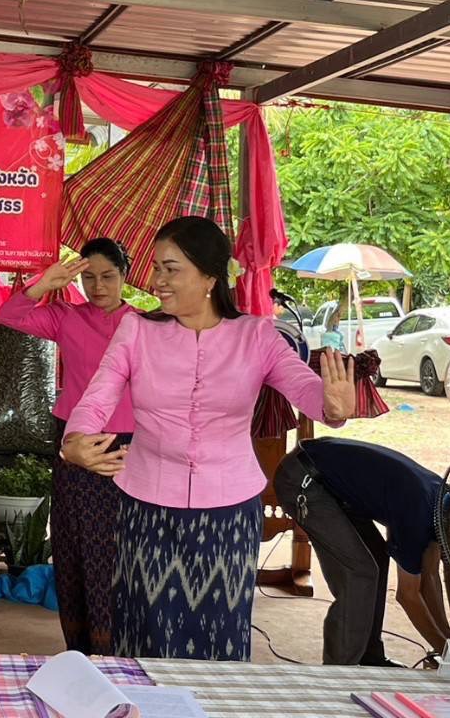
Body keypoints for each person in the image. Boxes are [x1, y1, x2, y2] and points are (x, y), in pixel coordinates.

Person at [63, 215, 356, 661]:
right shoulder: (137, 330)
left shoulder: (256, 335)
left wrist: (332, 405)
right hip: (146, 508)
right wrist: (76, 438)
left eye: (171, 269)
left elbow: (306, 390)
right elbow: (98, 396)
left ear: (209, 277)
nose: (157, 281)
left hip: (228, 514)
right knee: (145, 632)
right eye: (156, 267)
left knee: (218, 634)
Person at [0, 238, 136, 655]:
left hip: (128, 445)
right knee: (74, 541)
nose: (98, 286)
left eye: (108, 276)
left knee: (116, 547)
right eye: (89, 277)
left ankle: (117, 647)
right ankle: (80, 646)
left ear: (125, 276)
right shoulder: (65, 317)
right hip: (73, 439)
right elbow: (10, 314)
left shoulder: (145, 323)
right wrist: (44, 283)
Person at [273, 438, 450, 667]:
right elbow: (408, 596)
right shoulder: (418, 514)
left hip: (330, 482)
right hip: (302, 478)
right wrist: (449, 654)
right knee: (360, 572)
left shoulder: (443, 505)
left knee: (376, 556)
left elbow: (430, 578)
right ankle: (340, 671)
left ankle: (370, 657)